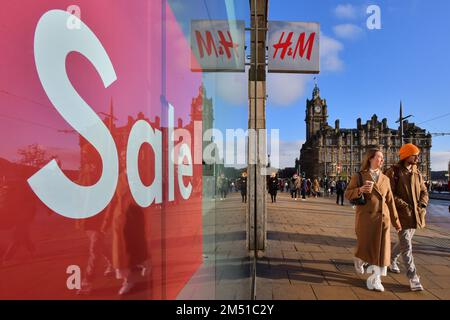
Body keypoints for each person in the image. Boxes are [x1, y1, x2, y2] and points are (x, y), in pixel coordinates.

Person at [345, 148, 402, 292]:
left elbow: (390, 201)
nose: (382, 160)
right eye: (379, 157)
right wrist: (360, 190)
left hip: (383, 219)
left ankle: (377, 279)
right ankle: (359, 258)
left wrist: (396, 221)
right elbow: (347, 194)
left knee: (382, 252)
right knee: (364, 246)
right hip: (365, 218)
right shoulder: (359, 176)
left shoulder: (386, 179)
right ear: (370, 158)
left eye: (383, 158)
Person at [385, 143, 428, 291]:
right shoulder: (394, 172)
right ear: (405, 156)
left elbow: (424, 191)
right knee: (407, 246)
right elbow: (390, 193)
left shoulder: (417, 172)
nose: (417, 157)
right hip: (402, 215)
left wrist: (422, 205)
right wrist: (404, 205)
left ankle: (391, 258)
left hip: (416, 215)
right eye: (414, 154)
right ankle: (413, 277)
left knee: (404, 243)